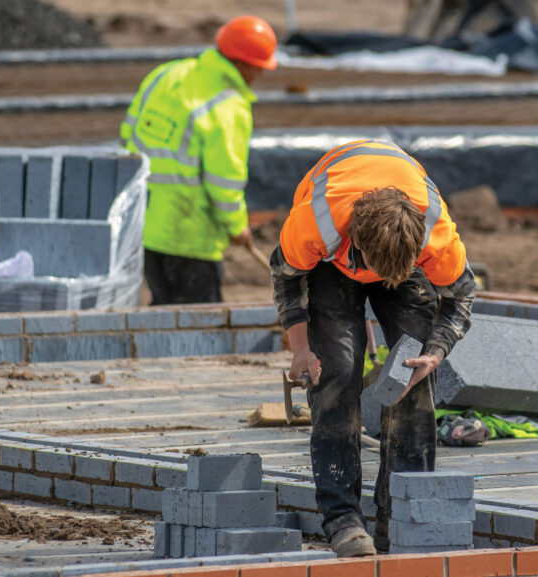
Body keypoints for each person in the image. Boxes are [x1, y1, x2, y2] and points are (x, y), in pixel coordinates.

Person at [270, 140, 476, 557]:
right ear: (358, 242)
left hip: (401, 260)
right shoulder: (317, 225)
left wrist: (435, 353)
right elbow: (285, 277)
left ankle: (402, 515)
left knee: (413, 372)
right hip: (332, 266)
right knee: (337, 371)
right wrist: (300, 348)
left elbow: (460, 300)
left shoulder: (435, 235)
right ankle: (343, 519)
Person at [121, 15, 277, 305]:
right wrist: (235, 224)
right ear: (245, 65)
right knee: (198, 320)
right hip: (189, 234)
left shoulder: (166, 74)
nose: (259, 76)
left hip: (144, 225)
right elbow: (224, 180)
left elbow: (129, 133)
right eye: (259, 69)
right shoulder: (228, 105)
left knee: (164, 308)